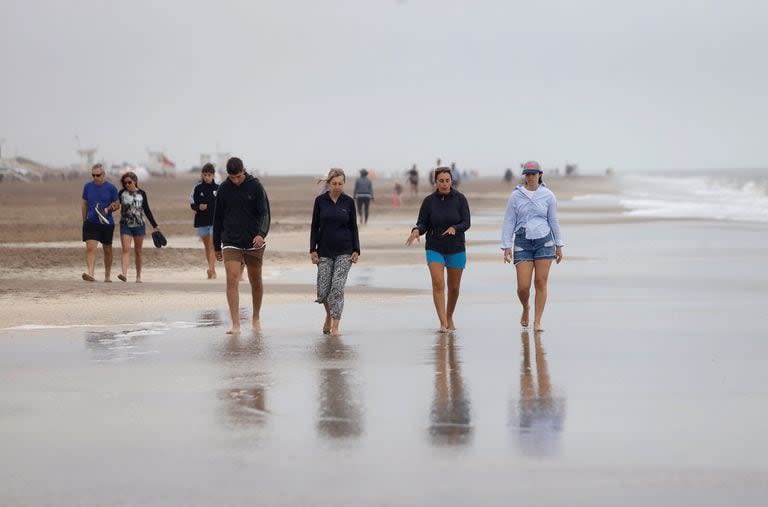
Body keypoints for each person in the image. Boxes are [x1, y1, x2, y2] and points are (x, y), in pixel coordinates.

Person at [501, 161, 564, 332]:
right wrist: (506, 246)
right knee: (523, 287)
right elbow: (509, 220)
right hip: (522, 241)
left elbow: (553, 220)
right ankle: (525, 307)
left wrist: (559, 245)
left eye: (533, 173)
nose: (530, 177)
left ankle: (537, 321)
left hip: (545, 241)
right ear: (524, 176)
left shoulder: (548, 195)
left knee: (540, 282)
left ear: (539, 175)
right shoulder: (516, 195)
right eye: (527, 174)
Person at [405, 166, 470, 333]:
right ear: (436, 182)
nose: (444, 184)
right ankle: (442, 322)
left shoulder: (460, 199)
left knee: (454, 288)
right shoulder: (429, 201)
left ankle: (449, 316)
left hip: (456, 247)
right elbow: (422, 223)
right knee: (438, 283)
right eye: (441, 181)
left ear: (451, 181)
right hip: (435, 247)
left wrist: (455, 228)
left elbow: (466, 222)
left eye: (447, 180)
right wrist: (416, 230)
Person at [213, 157, 271, 334]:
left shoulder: (255, 186)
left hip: (254, 241)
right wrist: (216, 246)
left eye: (238, 176)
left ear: (243, 171)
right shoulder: (223, 189)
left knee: (256, 280)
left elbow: (265, 213)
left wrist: (261, 234)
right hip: (231, 241)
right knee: (232, 278)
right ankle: (236, 324)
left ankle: (256, 317)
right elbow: (217, 218)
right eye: (232, 177)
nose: (236, 181)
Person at [310, 168, 360, 337]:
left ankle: (336, 327)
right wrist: (312, 250)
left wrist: (356, 250)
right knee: (323, 291)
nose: (337, 187)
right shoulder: (320, 201)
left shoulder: (348, 202)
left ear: (344, 184)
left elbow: (353, 227)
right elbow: (314, 227)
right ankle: (329, 314)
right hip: (324, 251)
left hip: (345, 251)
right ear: (328, 184)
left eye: (340, 183)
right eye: (334, 184)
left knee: (337, 289)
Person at [117, 171, 159, 283]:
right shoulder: (121, 193)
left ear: (135, 181)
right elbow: (116, 205)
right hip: (125, 225)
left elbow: (147, 210)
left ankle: (138, 276)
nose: (127, 185)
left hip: (139, 225)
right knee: (126, 249)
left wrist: (155, 225)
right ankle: (124, 274)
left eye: (129, 182)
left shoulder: (142, 193)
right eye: (125, 183)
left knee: (138, 251)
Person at [81, 163, 119, 282]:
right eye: (93, 175)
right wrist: (84, 220)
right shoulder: (87, 187)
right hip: (91, 222)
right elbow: (84, 203)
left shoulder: (111, 188)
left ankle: (107, 275)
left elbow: (117, 204)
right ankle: (91, 273)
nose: (95, 178)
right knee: (90, 248)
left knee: (107, 250)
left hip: (106, 223)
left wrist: (112, 207)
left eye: (97, 175)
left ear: (103, 174)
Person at [190, 163, 220, 279]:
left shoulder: (218, 188)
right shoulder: (197, 188)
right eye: (205, 175)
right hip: (202, 222)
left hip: (214, 222)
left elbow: (223, 205)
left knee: (212, 245)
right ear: (202, 175)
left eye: (209, 175)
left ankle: (211, 270)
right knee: (207, 247)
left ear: (213, 175)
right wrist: (198, 207)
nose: (206, 177)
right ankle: (212, 269)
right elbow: (192, 203)